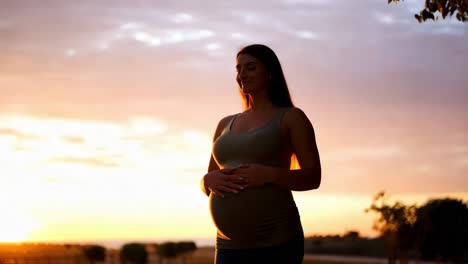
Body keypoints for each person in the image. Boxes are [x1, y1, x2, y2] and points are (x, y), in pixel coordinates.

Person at [200, 44, 321, 264]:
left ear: (270, 72)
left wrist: (269, 175)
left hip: (276, 244)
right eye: (238, 69)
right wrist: (206, 180)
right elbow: (209, 182)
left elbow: (313, 177)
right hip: (228, 245)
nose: (241, 75)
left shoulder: (291, 118)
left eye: (250, 67)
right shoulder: (225, 124)